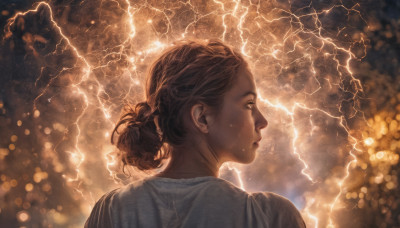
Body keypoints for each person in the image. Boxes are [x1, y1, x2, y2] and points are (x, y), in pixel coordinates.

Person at [85, 39, 306, 228]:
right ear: (201, 117)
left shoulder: (112, 210)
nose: (262, 121)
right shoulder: (269, 217)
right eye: (249, 104)